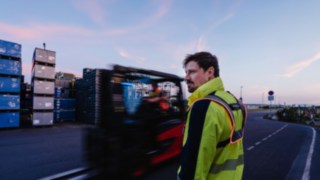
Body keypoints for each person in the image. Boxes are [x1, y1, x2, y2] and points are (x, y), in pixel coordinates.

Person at [177, 52, 247, 180]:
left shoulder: (204, 106)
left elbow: (194, 165)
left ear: (210, 72)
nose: (186, 77)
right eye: (186, 72)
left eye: (191, 72)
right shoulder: (233, 101)